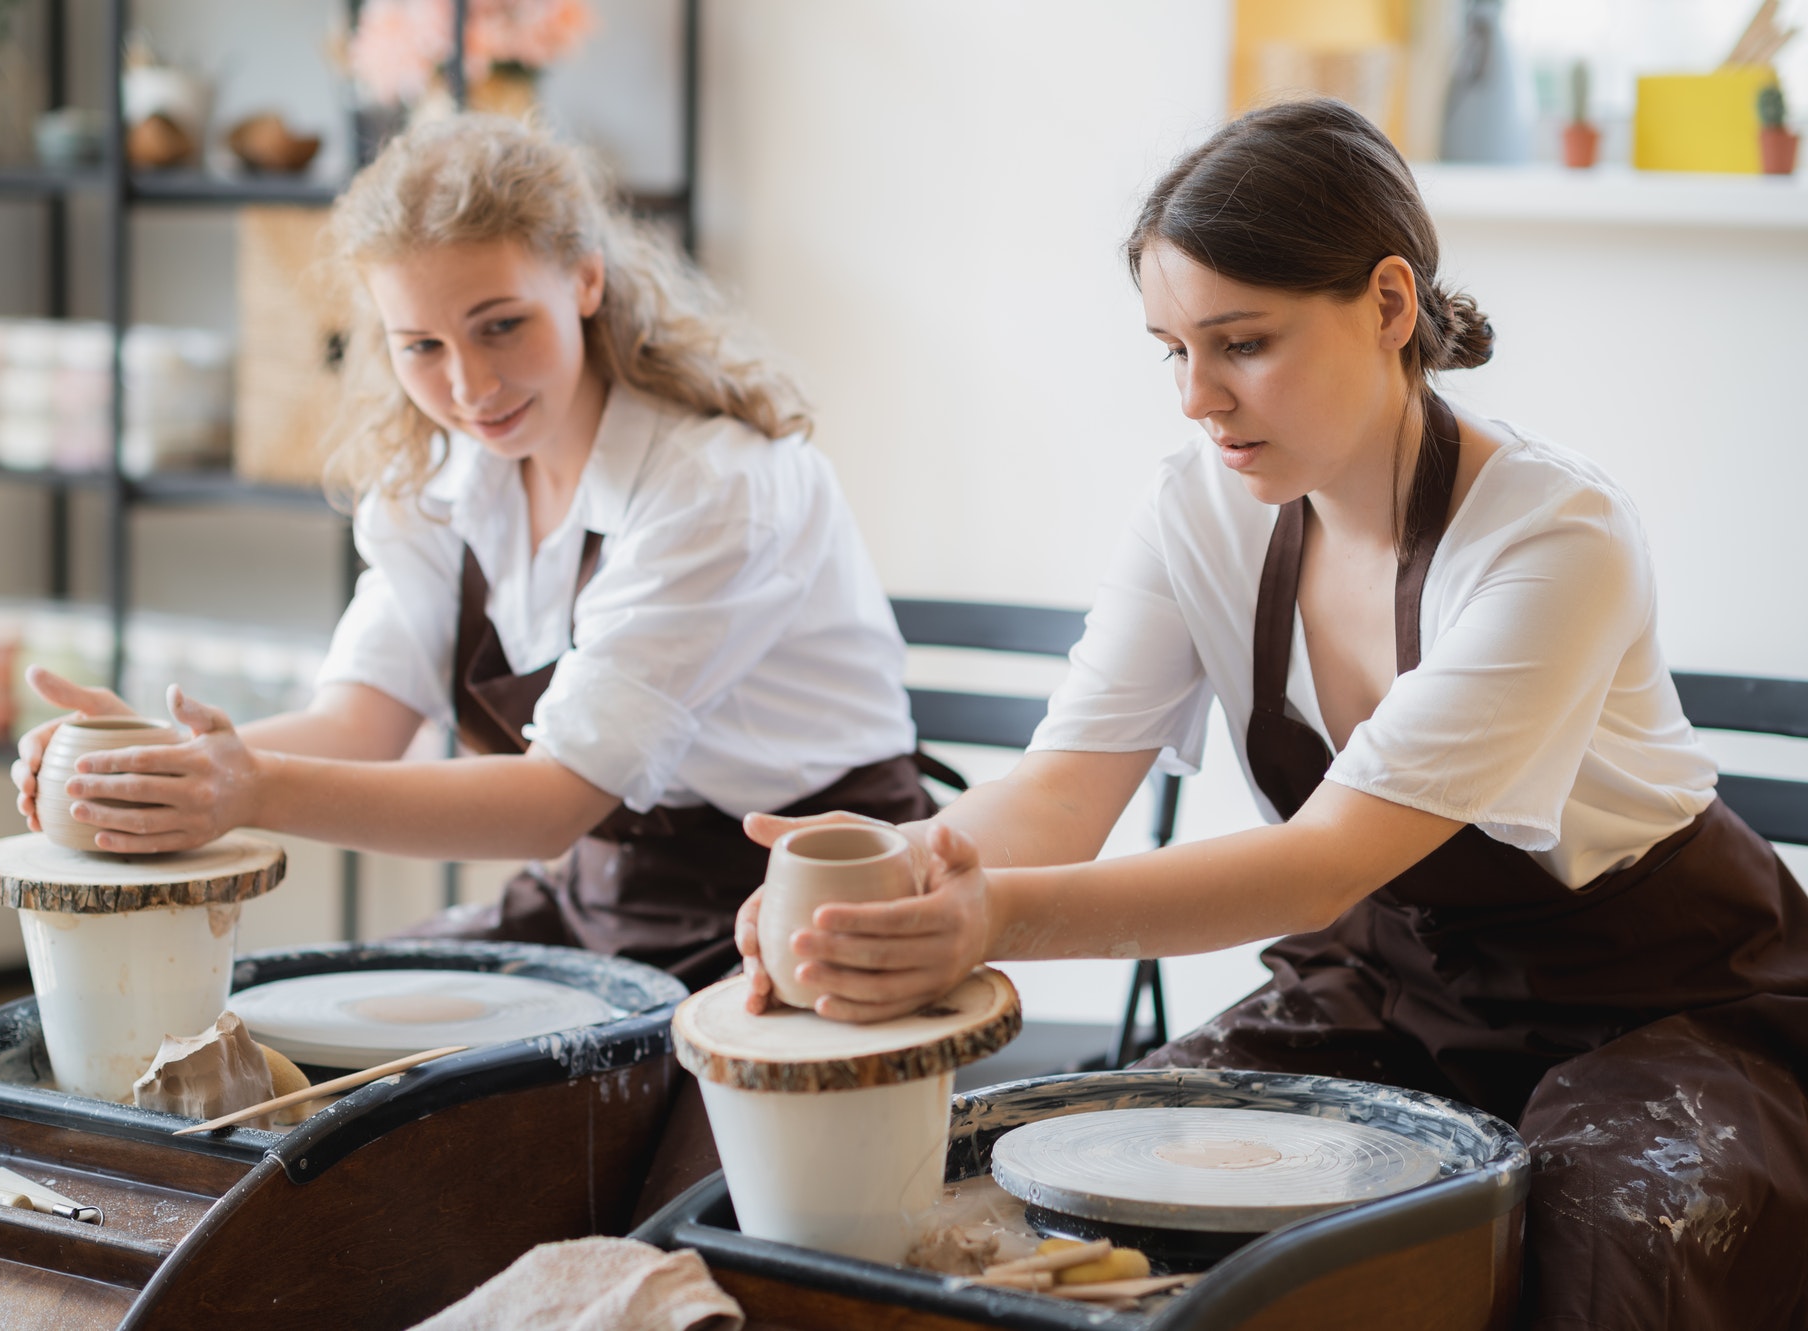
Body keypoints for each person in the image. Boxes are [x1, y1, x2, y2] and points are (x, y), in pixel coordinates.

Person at [735, 99, 1808, 1328]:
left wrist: (991, 917)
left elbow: (1318, 866)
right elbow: (1061, 789)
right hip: (1385, 985)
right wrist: (885, 877)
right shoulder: (1196, 508)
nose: (1197, 397)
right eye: (1170, 349)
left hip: (1660, 1004)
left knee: (1603, 1247)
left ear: (1390, 305)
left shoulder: (1553, 539)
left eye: (1240, 342)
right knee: (1109, 1194)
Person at [11, 112, 931, 987]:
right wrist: (143, 768)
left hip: (815, 917)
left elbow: (554, 800)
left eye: (501, 325)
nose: (469, 386)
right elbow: (356, 727)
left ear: (584, 281)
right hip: (601, 902)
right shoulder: (443, 482)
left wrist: (246, 792)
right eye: (420, 346)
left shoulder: (715, 486)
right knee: (337, 1056)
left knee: (612, 1149)